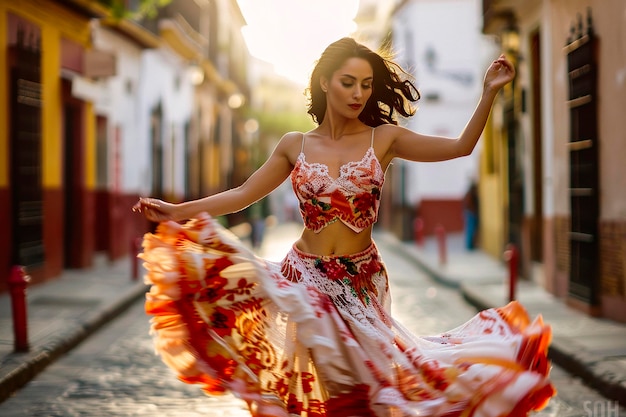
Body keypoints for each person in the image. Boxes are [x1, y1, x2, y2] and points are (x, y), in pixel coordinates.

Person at [132, 38, 554, 417]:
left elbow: (461, 148)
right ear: (324, 82)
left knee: (369, 388)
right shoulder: (294, 145)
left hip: (360, 282)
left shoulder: (384, 138)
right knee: (333, 393)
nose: (358, 93)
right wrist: (177, 211)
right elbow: (242, 194)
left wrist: (488, 93)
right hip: (304, 282)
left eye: (366, 84)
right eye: (348, 82)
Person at [463, 181, 479, 250]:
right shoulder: (470, 194)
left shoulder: (469, 194)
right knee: (471, 229)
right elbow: (469, 205)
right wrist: (474, 211)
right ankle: (469, 246)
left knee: (470, 229)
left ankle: (470, 245)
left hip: (470, 213)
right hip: (471, 214)